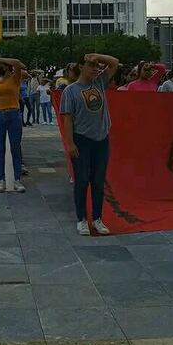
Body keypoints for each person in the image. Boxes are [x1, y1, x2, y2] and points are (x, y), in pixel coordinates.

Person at [61, 52, 119, 236]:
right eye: (91, 65)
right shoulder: (70, 91)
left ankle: (97, 218)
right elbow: (68, 120)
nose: (95, 69)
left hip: (101, 140)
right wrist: (70, 144)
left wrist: (97, 56)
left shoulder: (99, 83)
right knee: (82, 181)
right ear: (81, 67)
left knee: (98, 181)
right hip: (81, 140)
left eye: (97, 66)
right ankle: (82, 219)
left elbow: (114, 62)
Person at [0, 57, 26, 192]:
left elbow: (19, 63)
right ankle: (1, 179)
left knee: (15, 148)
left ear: (7, 66)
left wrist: (1, 59)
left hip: (13, 115)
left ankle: (17, 180)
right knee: (0, 149)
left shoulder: (15, 78)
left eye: (0, 66)